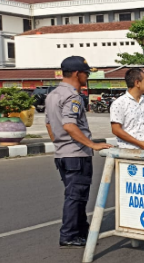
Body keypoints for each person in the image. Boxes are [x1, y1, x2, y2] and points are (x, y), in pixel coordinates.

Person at [45, 56, 112, 249]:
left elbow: (49, 124)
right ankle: (69, 235)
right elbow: (69, 125)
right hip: (76, 154)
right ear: (77, 73)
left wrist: (59, 143)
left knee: (77, 195)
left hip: (62, 154)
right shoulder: (73, 96)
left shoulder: (52, 95)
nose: (87, 77)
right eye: (87, 73)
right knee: (75, 196)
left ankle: (82, 230)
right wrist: (92, 145)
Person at [109, 68, 144, 150]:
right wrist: (139, 143)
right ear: (137, 83)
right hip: (127, 152)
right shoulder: (119, 103)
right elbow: (116, 130)